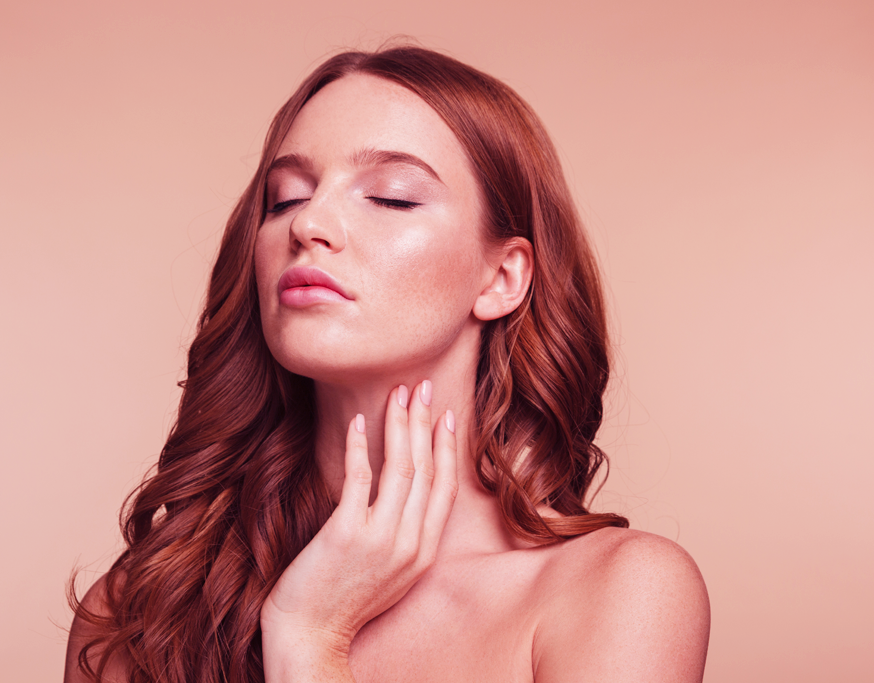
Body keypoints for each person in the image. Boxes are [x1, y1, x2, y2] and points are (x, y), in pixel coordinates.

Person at [64, 45, 710, 683]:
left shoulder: (619, 593)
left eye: (392, 197)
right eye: (285, 199)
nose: (309, 223)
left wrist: (309, 639)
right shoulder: (136, 612)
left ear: (502, 277)